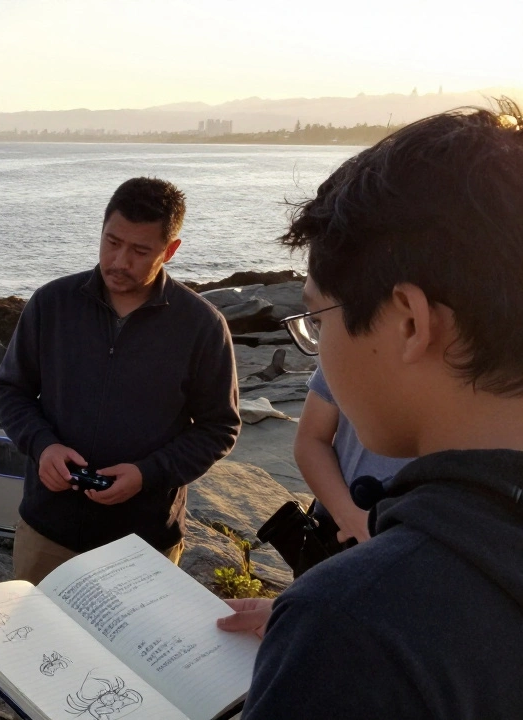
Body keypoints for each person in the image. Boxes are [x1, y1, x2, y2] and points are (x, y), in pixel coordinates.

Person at [218, 99, 523, 718]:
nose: (317, 349)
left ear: (410, 322)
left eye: (317, 318)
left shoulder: (353, 624)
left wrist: (334, 641)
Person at [0, 177, 241, 584]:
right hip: (47, 531)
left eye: (140, 250)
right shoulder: (52, 303)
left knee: (131, 650)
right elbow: (11, 389)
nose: (119, 261)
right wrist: (43, 445)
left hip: (144, 541)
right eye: (112, 242)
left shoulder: (201, 326)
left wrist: (148, 474)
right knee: (39, 646)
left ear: (170, 250)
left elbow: (220, 428)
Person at [293, 367, 411, 544]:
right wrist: (348, 517)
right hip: (344, 535)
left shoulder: (465, 351)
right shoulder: (346, 345)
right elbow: (311, 439)